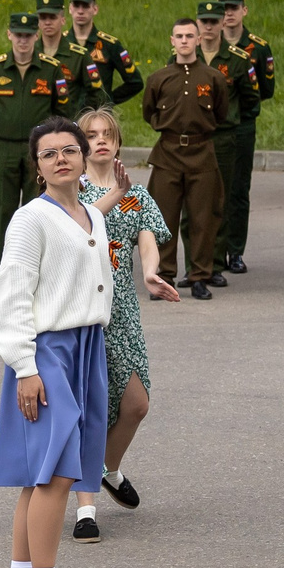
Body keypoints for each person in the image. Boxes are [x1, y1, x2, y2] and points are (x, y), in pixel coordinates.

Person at [0, 116, 110, 568]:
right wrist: (24, 367)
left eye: (69, 150)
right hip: (47, 353)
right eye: (49, 154)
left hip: (87, 348)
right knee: (57, 474)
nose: (61, 158)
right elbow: (12, 293)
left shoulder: (91, 216)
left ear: (84, 158)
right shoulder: (29, 220)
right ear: (37, 167)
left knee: (42, 475)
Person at [70, 108, 180, 542]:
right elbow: (74, 227)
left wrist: (151, 272)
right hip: (79, 310)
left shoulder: (136, 194)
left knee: (136, 404)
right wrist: (114, 193)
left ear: (117, 143)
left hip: (123, 311)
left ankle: (107, 470)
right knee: (89, 406)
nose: (100, 141)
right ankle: (85, 510)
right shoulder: (67, 190)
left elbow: (148, 240)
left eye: (107, 135)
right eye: (91, 135)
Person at [0, 12, 76, 272]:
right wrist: (2, 124)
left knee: (40, 210)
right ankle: (5, 272)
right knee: (4, 212)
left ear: (36, 36)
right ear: (9, 34)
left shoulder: (51, 69)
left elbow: (62, 107)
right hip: (4, 147)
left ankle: (39, 272)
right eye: (18, 35)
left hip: (40, 150)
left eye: (28, 35)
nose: (23, 41)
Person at [142, 17, 227, 297]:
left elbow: (221, 114)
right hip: (168, 154)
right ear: (172, 41)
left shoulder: (213, 78)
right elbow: (149, 112)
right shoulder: (159, 78)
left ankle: (199, 275)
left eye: (190, 36)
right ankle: (164, 275)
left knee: (203, 218)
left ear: (199, 40)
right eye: (179, 36)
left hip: (202, 154)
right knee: (163, 218)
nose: (184, 41)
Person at [193, 0, 261, 283]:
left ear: (222, 23)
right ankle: (196, 262)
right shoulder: (185, 56)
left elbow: (251, 101)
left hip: (225, 136)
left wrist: (231, 121)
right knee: (195, 202)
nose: (209, 26)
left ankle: (220, 261)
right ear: (198, 24)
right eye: (204, 22)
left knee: (224, 196)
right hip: (195, 137)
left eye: (214, 21)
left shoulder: (237, 59)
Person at [215, 0, 275, 276]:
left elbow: (265, 89)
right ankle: (213, 252)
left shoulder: (258, 47)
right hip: (211, 129)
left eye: (234, 8)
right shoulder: (206, 45)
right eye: (224, 9)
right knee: (212, 191)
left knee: (238, 190)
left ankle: (235, 251)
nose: (228, 14)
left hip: (241, 127)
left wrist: (241, 113)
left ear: (244, 10)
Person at [66, 0, 144, 114]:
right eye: (76, 5)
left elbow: (135, 82)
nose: (80, 11)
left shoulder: (109, 45)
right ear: (70, 8)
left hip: (98, 117)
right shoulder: (61, 44)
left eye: (85, 6)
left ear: (95, 9)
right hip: (68, 116)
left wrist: (108, 100)